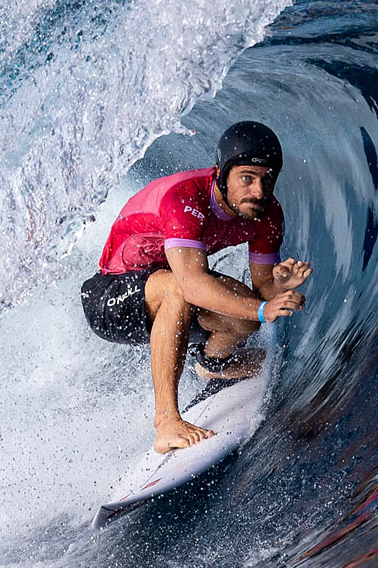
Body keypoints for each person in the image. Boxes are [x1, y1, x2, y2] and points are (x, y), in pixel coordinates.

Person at [80, 121, 312, 453]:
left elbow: (261, 293)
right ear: (222, 173)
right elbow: (192, 287)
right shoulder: (186, 197)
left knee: (242, 310)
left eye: (267, 179)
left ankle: (214, 365)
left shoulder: (266, 212)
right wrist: (264, 308)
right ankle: (166, 422)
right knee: (181, 289)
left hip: (171, 293)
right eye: (247, 178)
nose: (258, 191)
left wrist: (277, 286)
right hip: (111, 299)